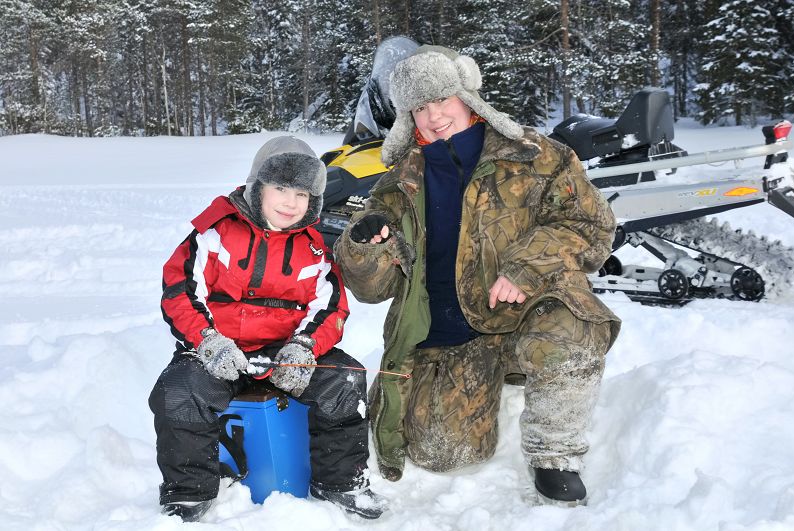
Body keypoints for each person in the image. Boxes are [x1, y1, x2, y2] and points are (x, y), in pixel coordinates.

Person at [333, 45, 622, 506]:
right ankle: (495, 376)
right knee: (440, 453)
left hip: (529, 308)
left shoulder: (536, 156)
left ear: (467, 96)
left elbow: (591, 226)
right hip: (452, 331)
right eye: (420, 107)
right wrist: (364, 247)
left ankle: (555, 454)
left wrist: (524, 267)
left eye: (442, 100)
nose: (434, 116)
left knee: (574, 325)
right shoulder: (398, 182)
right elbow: (372, 289)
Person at [149, 136, 387, 522]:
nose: (290, 202)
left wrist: (304, 348)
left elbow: (330, 307)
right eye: (280, 188)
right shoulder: (215, 232)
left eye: (302, 193)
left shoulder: (317, 247)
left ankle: (342, 481)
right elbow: (180, 290)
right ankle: (190, 492)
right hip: (216, 349)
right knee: (178, 392)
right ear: (257, 186)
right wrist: (208, 342)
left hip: (285, 352)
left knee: (344, 381)